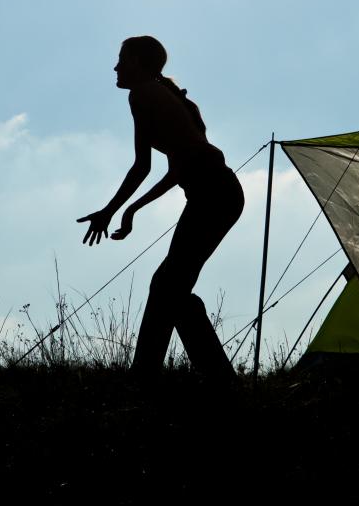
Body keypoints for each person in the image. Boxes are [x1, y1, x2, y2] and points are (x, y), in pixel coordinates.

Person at [78, 36, 240, 381]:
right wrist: (129, 209)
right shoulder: (158, 93)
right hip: (216, 193)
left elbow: (142, 167)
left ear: (138, 62)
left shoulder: (143, 94)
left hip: (214, 193)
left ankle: (154, 377)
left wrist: (113, 210)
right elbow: (174, 168)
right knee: (171, 287)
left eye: (122, 59)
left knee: (168, 286)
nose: (116, 67)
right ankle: (204, 377)